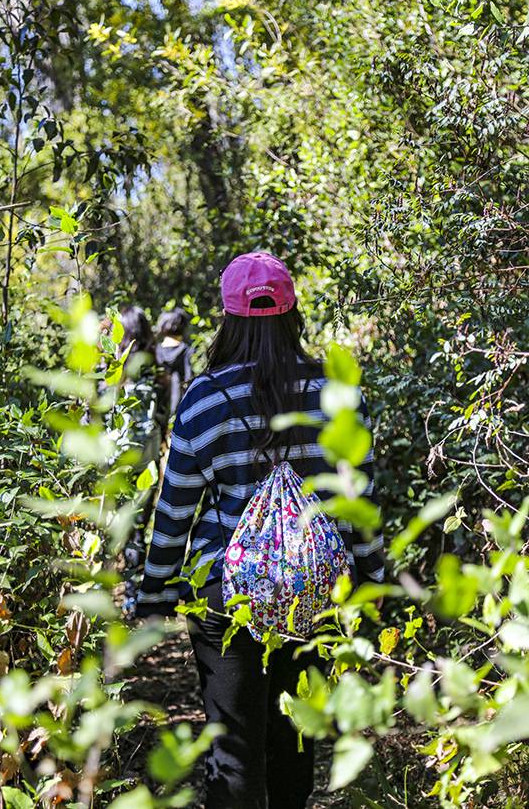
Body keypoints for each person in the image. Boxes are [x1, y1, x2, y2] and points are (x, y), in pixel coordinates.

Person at [137, 252, 384, 809]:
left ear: (228, 318)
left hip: (226, 597)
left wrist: (154, 594)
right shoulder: (335, 392)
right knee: (293, 739)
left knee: (234, 746)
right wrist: (370, 574)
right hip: (313, 593)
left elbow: (175, 510)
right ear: (292, 312)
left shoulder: (205, 400)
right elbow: (358, 499)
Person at [109, 306, 161, 616]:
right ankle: (131, 597)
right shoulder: (157, 371)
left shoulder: (115, 371)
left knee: (115, 529)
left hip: (117, 463)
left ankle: (112, 598)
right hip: (147, 462)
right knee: (138, 530)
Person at [154, 307, 194, 423]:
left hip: (157, 410)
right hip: (181, 411)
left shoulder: (156, 351)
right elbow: (189, 379)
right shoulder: (188, 351)